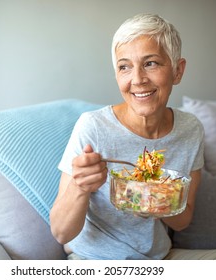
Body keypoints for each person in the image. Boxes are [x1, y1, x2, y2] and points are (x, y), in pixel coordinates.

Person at [50, 13, 204, 260]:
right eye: (125, 67)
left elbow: (183, 221)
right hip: (94, 259)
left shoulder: (190, 129)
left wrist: (152, 197)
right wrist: (80, 187)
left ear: (177, 70)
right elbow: (60, 232)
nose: (138, 80)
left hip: (159, 259)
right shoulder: (93, 127)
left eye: (151, 63)